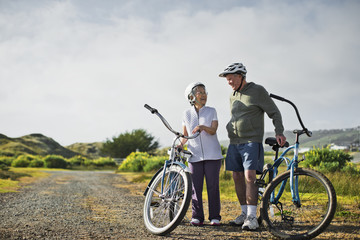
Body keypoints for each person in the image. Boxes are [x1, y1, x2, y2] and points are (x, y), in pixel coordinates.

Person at [218, 62, 286, 230]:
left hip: (251, 141)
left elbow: (274, 112)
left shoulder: (258, 91)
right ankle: (243, 213)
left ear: (241, 76)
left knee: (250, 177)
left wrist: (279, 131)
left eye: (231, 78)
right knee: (237, 177)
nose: (229, 82)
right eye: (227, 80)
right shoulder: (233, 95)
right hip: (235, 142)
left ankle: (252, 217)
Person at [178, 82, 224, 226]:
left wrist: (203, 127)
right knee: (195, 188)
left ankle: (215, 217)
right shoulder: (186, 113)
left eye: (205, 92)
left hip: (213, 156)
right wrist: (180, 144)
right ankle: (197, 216)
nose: (204, 95)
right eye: (200, 92)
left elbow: (213, 130)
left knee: (212, 187)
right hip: (194, 155)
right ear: (191, 96)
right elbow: (185, 135)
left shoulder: (212, 111)